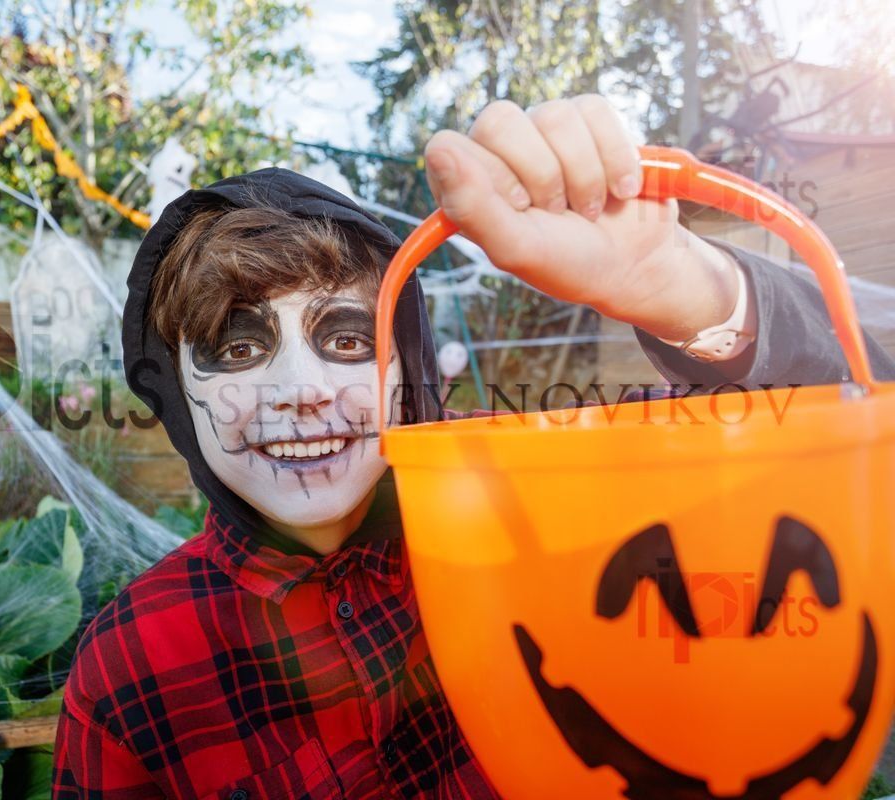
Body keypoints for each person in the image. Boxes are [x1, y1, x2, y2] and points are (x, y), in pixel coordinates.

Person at [52, 95, 895, 799]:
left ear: (405, 365)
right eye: (236, 350)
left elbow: (812, 439)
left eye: (346, 340)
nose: (297, 391)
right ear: (174, 387)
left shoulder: (547, 530)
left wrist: (680, 285)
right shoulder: (132, 664)